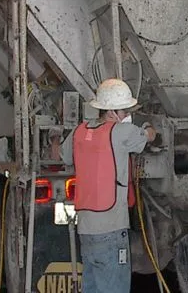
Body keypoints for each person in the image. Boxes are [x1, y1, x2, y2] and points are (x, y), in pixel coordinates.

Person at [60, 78, 156, 293]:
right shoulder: (121, 131)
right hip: (112, 230)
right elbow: (149, 137)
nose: (126, 115)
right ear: (114, 111)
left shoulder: (78, 132)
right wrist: (148, 125)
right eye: (125, 110)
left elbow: (64, 156)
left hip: (86, 230)